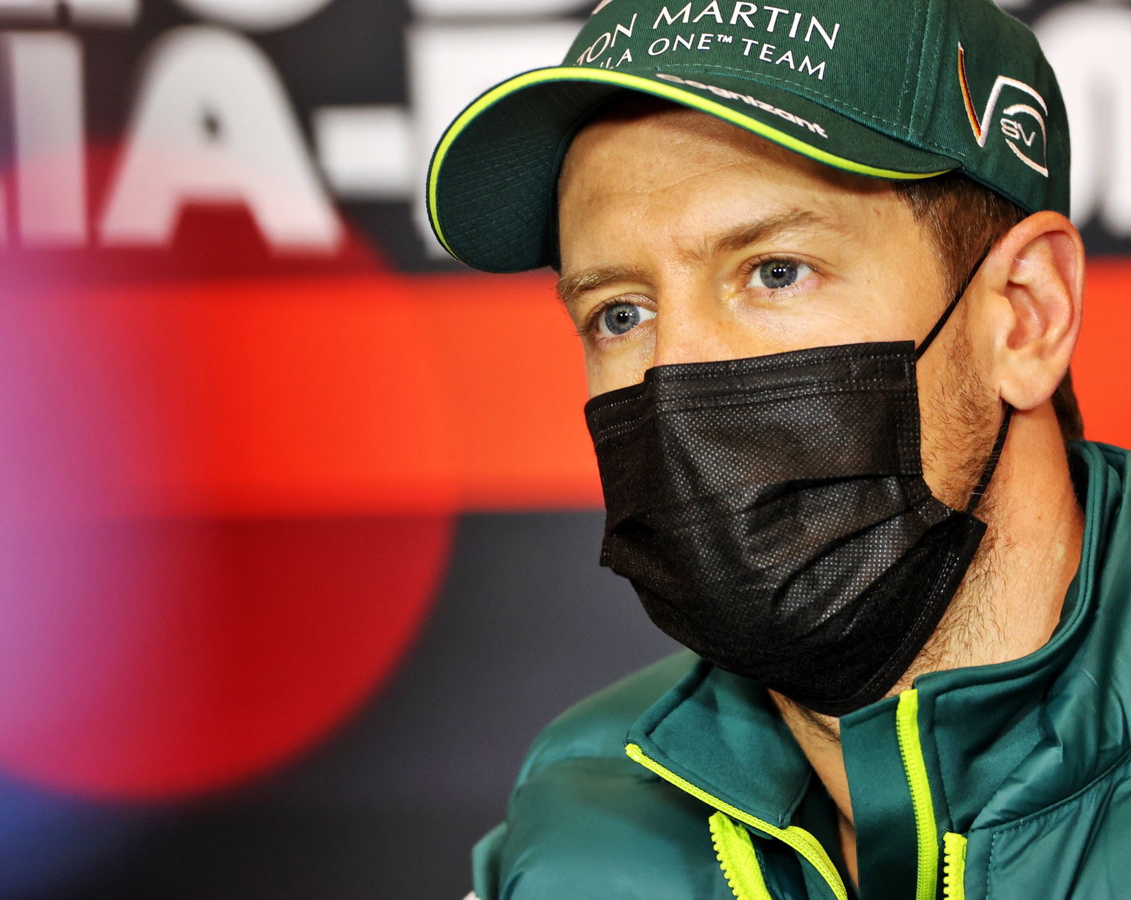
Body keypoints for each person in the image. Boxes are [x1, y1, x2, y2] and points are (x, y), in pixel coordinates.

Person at [426, 1, 1130, 897]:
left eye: (776, 271)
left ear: (1027, 315)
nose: (677, 375)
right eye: (621, 313)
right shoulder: (576, 827)